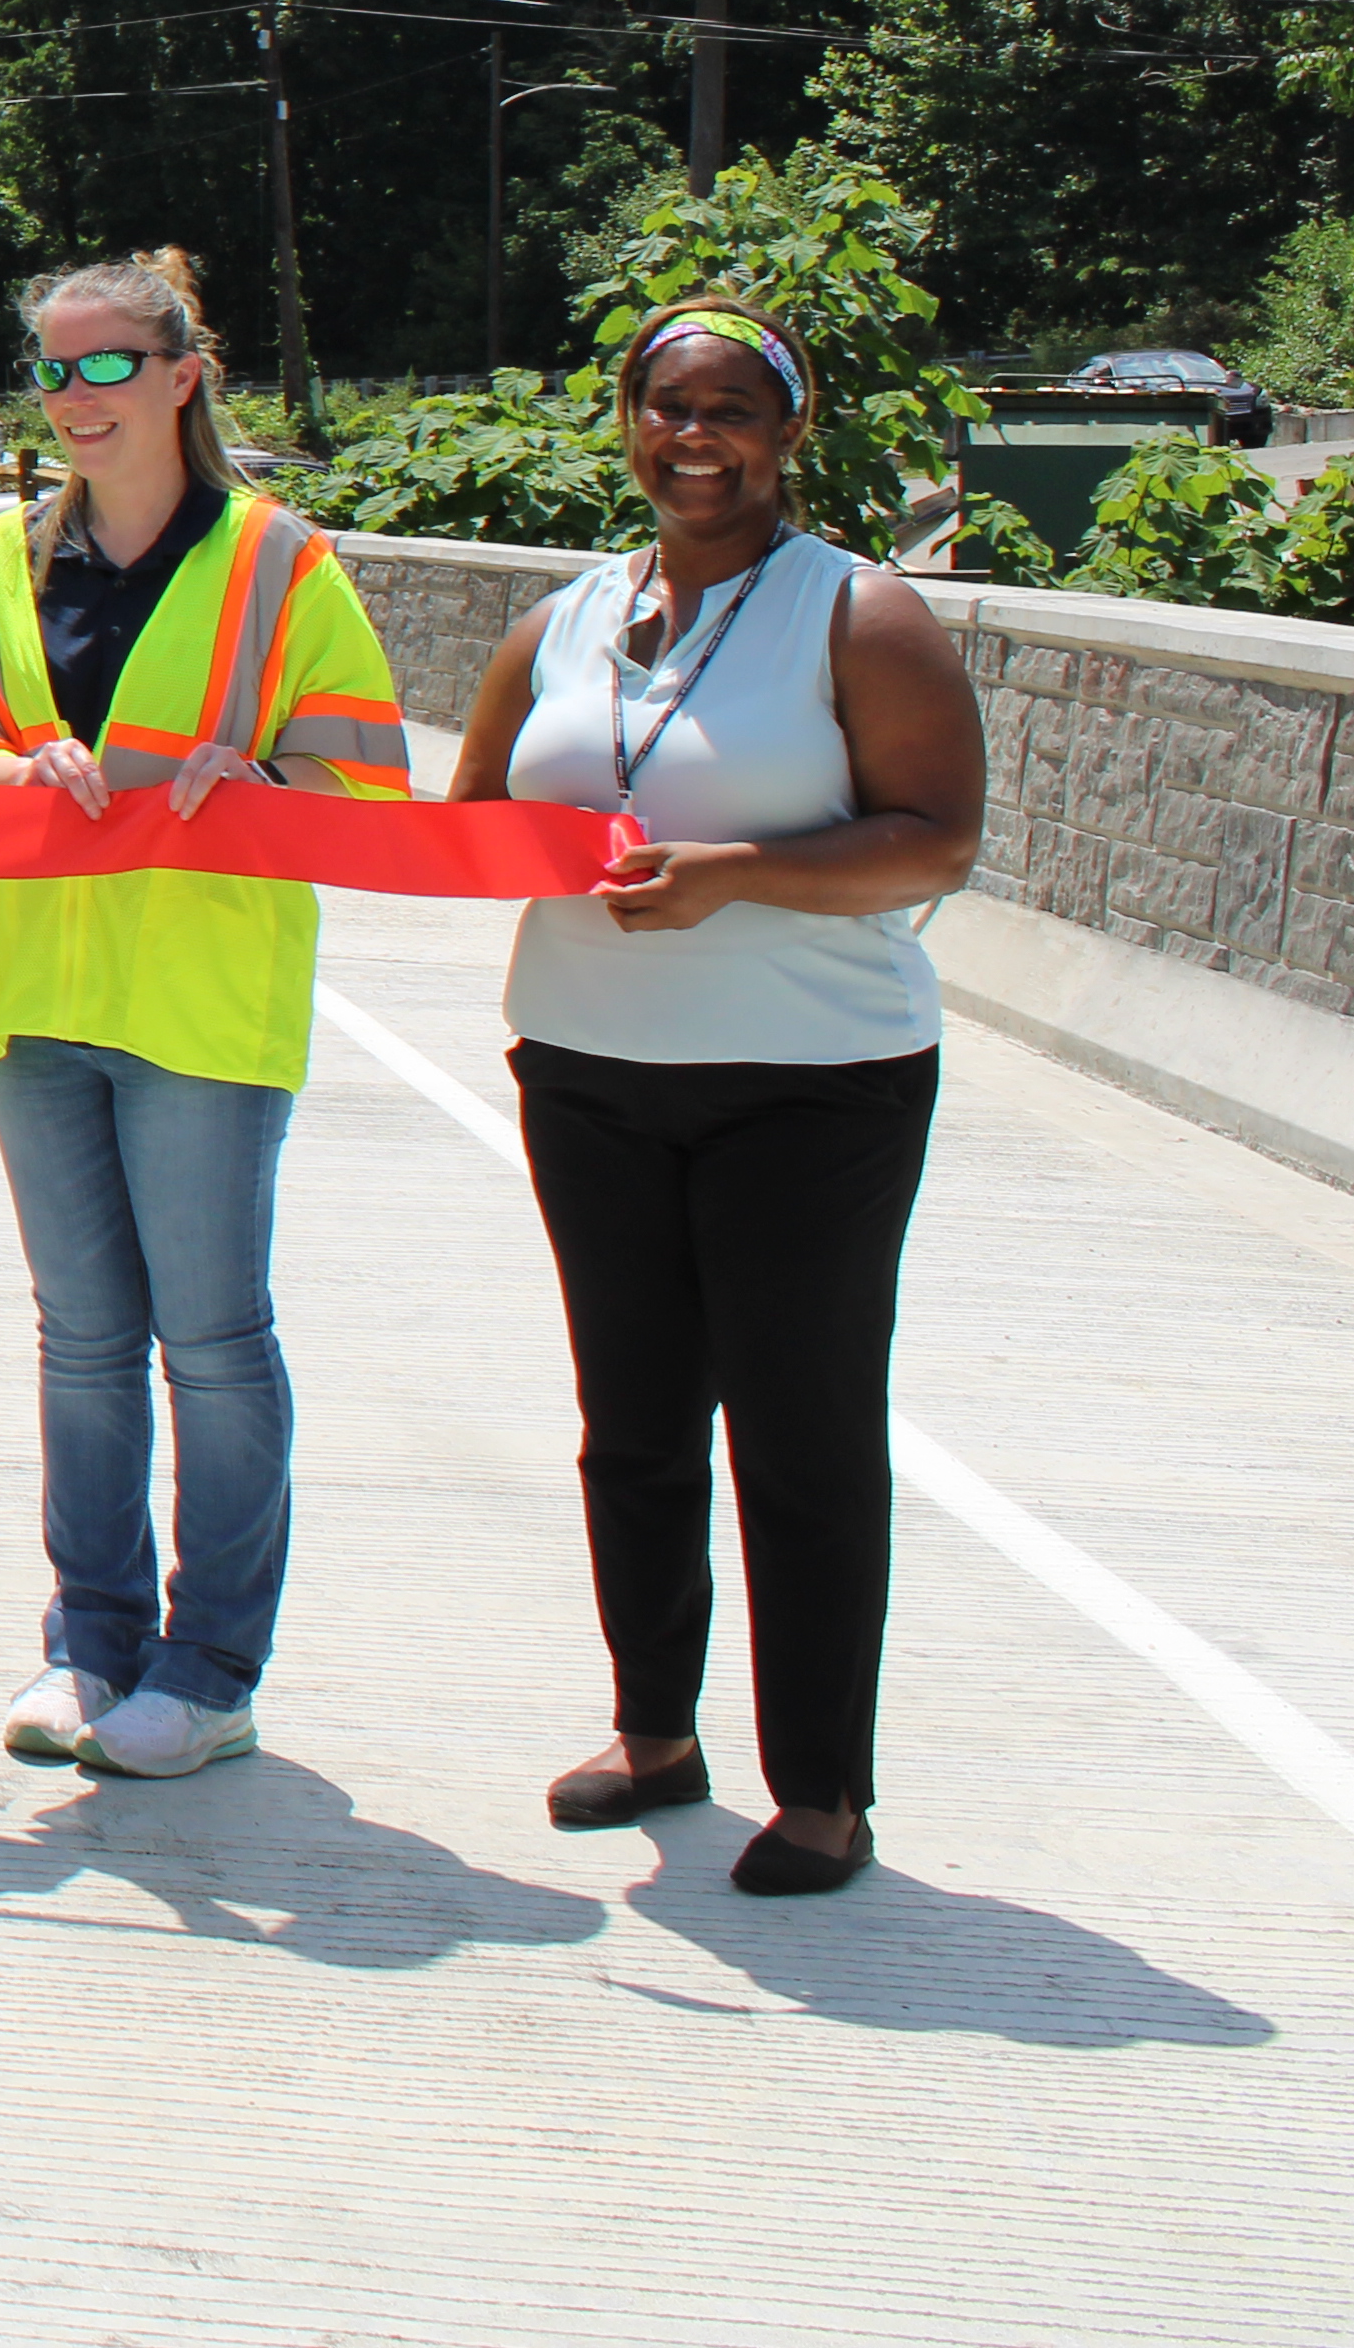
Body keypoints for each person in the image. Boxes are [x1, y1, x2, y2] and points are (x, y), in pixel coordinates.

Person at [452, 295, 985, 1898]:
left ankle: (823, 1788)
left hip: (811, 1093)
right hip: (591, 1075)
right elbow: (472, 814)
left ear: (790, 431)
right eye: (668, 406)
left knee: (802, 1438)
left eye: (733, 409)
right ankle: (654, 1734)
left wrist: (736, 876)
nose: (697, 438)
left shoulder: (858, 614)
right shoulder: (564, 620)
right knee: (633, 1430)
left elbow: (935, 838)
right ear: (628, 424)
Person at [0, 249, 413, 1783]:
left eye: (107, 364)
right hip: (39, 988)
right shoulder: (1, 560)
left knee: (214, 1341)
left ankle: (211, 1667)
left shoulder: (278, 565)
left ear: (186, 375)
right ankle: (90, 1644)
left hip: (200, 998)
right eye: (52, 371)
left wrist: (263, 784)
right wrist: (5, 773)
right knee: (83, 1342)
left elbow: (364, 780)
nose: (75, 398)